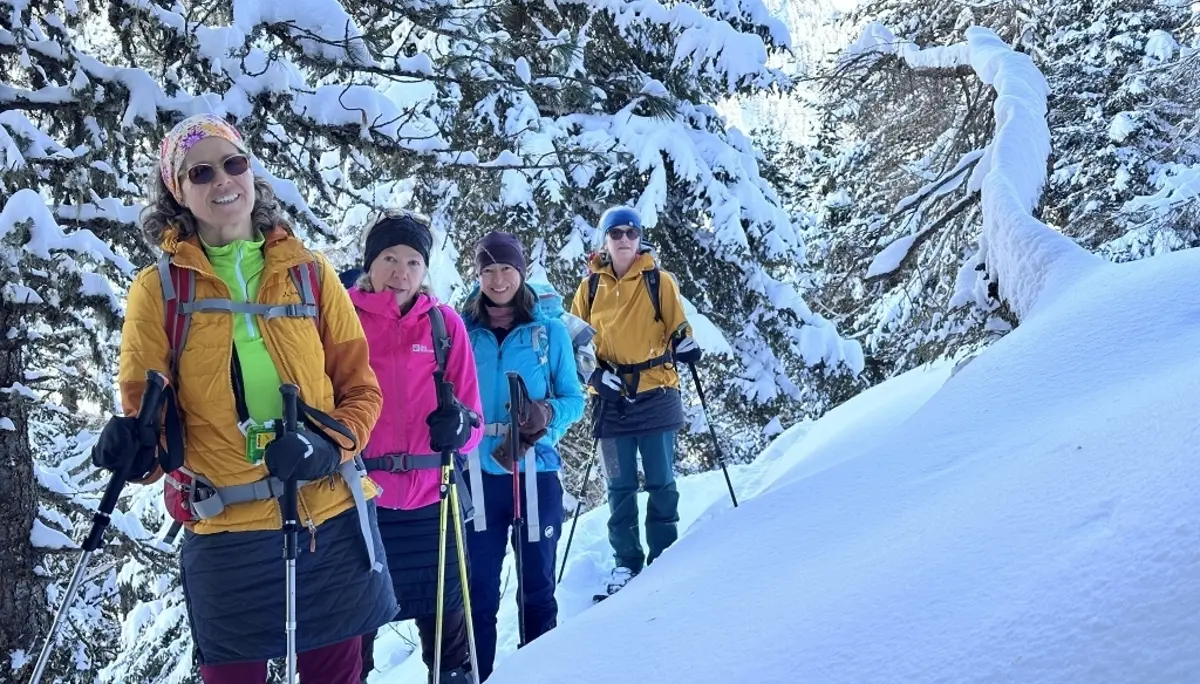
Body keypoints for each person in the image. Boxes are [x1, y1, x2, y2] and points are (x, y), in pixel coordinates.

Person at [91, 113, 395, 683]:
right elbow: (150, 420)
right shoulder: (158, 290)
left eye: (234, 162)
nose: (222, 180)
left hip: (327, 517)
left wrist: (330, 447)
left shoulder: (308, 272)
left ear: (252, 171)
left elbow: (361, 390)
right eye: (199, 171)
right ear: (177, 191)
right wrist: (136, 449)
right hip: (225, 530)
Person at [348, 211, 484, 684]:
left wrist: (460, 428)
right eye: (389, 258)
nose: (400, 272)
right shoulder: (342, 318)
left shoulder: (444, 325)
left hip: (434, 498)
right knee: (352, 632)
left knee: (447, 633)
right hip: (360, 501)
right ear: (370, 263)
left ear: (425, 270)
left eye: (412, 261)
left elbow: (474, 418)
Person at [459, 232, 585, 681]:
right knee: (478, 595)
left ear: (522, 272)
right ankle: (479, 675)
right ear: (477, 274)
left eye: (506, 269)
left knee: (537, 590)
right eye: (488, 269)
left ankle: (539, 673)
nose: (497, 279)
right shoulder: (460, 329)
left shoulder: (548, 331)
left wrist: (545, 413)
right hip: (476, 475)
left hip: (535, 472)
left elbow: (575, 398)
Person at [569, 206, 702, 598]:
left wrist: (686, 343)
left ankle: (664, 555)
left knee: (661, 480)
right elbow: (574, 343)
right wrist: (594, 376)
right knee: (619, 485)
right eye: (616, 233)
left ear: (639, 237)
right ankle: (627, 561)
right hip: (609, 399)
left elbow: (679, 326)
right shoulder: (589, 288)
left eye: (630, 232)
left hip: (657, 390)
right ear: (605, 240)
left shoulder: (658, 281)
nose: (624, 239)